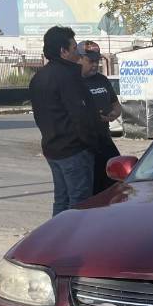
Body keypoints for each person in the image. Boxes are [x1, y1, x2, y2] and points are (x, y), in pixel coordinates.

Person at [29, 26, 101, 216]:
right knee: (79, 203)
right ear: (63, 51)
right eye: (74, 47)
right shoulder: (69, 76)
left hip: (53, 148)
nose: (77, 53)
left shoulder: (38, 77)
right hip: (74, 150)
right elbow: (81, 115)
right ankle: (75, 242)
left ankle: (56, 239)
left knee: (61, 200)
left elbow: (39, 116)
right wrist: (91, 143)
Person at [77, 40, 121, 195]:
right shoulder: (74, 82)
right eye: (91, 61)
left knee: (116, 180)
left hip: (104, 139)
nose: (95, 65)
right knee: (90, 189)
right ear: (79, 58)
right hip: (84, 144)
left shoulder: (102, 80)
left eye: (97, 61)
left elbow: (116, 105)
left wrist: (114, 114)